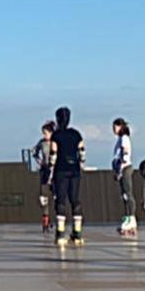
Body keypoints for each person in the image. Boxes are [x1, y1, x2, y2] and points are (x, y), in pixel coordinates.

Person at [50, 106, 86, 247]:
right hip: (74, 170)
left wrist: (50, 171)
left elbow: (53, 154)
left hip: (61, 170)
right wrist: (81, 164)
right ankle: (77, 233)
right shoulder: (76, 134)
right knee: (75, 200)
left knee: (61, 201)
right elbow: (82, 152)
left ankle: (60, 234)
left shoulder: (56, 135)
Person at [112, 119, 136, 237]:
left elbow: (124, 153)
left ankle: (131, 218)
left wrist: (120, 170)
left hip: (125, 169)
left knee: (127, 194)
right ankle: (127, 217)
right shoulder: (120, 139)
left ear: (120, 127)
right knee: (124, 195)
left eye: (115, 127)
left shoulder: (124, 138)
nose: (114, 129)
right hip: (121, 169)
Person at [32, 121, 56, 232]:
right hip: (45, 170)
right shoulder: (41, 143)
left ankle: (56, 219)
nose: (44, 135)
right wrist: (40, 162)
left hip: (55, 170)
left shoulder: (56, 142)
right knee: (43, 197)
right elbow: (34, 153)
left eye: (46, 133)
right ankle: (45, 220)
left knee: (56, 196)